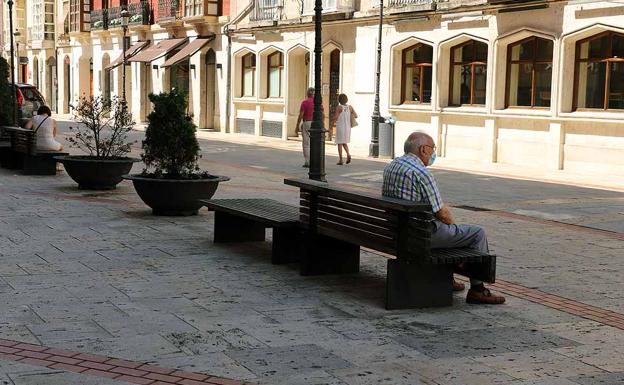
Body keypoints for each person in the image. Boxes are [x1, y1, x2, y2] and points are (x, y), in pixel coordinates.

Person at [382, 131, 505, 305]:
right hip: (419, 237)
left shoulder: (392, 166)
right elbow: (442, 213)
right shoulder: (421, 173)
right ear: (423, 149)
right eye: (433, 149)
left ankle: (448, 278)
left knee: (444, 229)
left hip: (394, 232)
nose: (433, 153)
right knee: (477, 234)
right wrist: (454, 230)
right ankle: (478, 290)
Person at [295, 87, 323, 168]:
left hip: (307, 122)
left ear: (307, 94)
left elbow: (301, 115)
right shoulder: (318, 103)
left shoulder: (305, 102)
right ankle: (316, 160)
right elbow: (322, 114)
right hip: (316, 123)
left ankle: (307, 161)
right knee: (316, 143)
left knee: (306, 143)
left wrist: (297, 126)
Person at [330, 93, 356, 165]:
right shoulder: (350, 107)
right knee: (344, 142)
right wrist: (348, 116)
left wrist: (332, 124)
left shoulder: (339, 107)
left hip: (341, 126)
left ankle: (341, 159)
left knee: (339, 143)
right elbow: (356, 115)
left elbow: (336, 117)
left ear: (339, 100)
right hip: (347, 127)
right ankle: (348, 154)